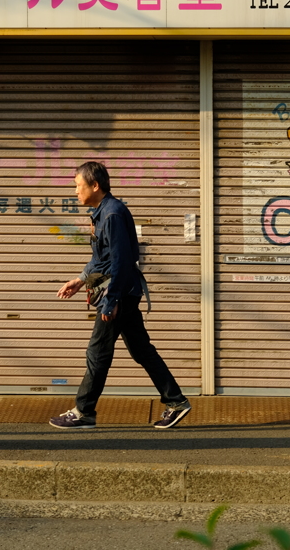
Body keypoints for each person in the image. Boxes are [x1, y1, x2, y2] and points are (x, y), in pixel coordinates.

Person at [51, 161, 192, 430]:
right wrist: (80, 280)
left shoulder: (112, 214)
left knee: (98, 351)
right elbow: (101, 258)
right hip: (122, 292)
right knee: (142, 351)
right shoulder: (102, 212)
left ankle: (84, 412)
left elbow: (121, 262)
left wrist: (112, 300)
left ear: (95, 185)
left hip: (119, 294)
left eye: (78, 186)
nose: (75, 192)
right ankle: (176, 402)